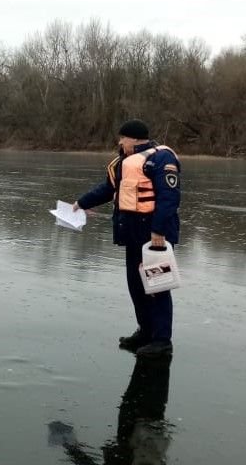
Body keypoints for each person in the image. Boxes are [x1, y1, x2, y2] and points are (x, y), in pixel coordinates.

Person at [74, 120, 181, 358]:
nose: (119, 142)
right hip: (131, 234)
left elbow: (168, 198)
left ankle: (162, 340)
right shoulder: (123, 163)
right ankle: (145, 332)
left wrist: (159, 232)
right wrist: (82, 203)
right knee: (136, 285)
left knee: (157, 287)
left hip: (154, 236)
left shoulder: (161, 159)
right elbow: (107, 189)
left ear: (133, 138)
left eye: (122, 138)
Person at [48, 355, 173, 465]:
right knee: (144, 397)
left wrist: (69, 446)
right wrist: (70, 446)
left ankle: (155, 351)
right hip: (143, 440)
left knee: (142, 399)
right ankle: (154, 352)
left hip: (141, 441)